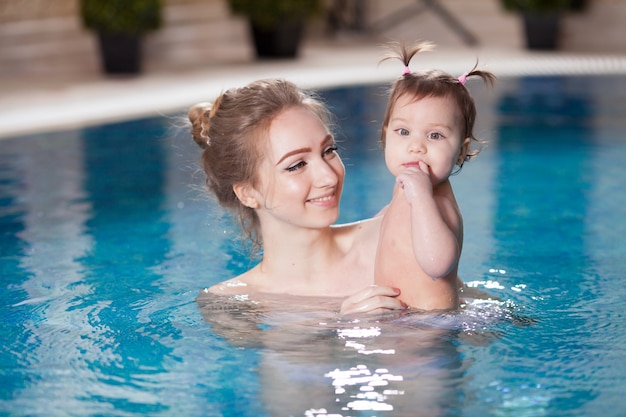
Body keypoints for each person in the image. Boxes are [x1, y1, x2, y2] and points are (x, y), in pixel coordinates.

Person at [188, 78, 406, 314]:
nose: (329, 177)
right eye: (297, 165)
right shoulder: (230, 304)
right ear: (248, 193)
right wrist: (345, 330)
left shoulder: (392, 241)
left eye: (328, 151)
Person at [374, 41, 496, 311]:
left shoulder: (435, 204)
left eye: (435, 135)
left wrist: (420, 198)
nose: (416, 146)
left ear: (461, 152)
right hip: (401, 323)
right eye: (403, 132)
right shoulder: (406, 192)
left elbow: (437, 264)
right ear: (385, 136)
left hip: (428, 326)